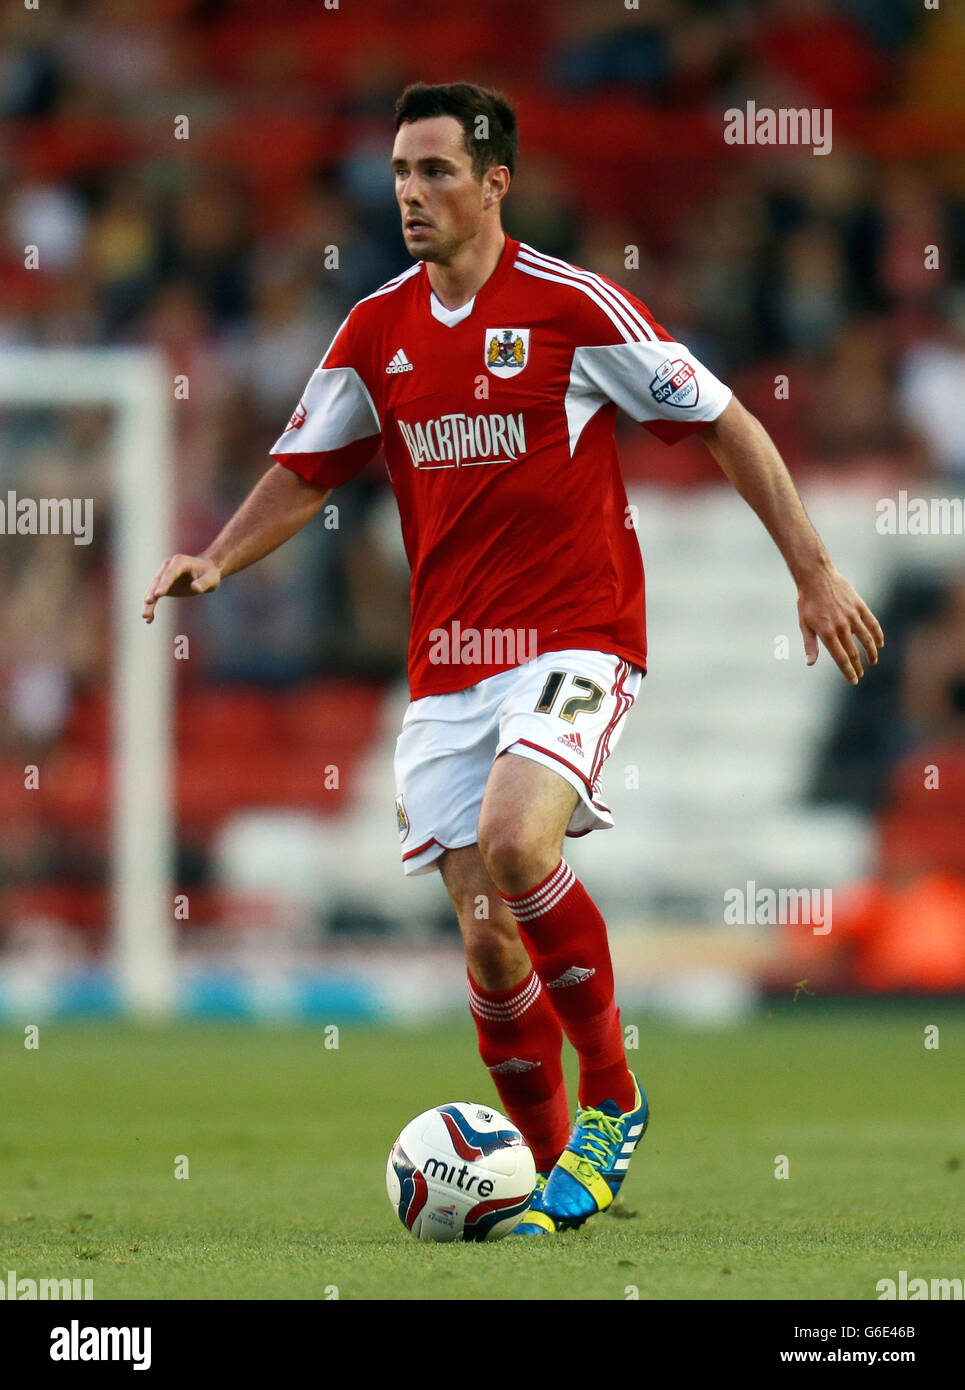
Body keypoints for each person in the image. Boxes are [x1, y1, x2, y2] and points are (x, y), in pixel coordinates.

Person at [142, 82, 885, 1235]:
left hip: (577, 633)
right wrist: (217, 559)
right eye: (397, 172)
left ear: (495, 183)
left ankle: (614, 1102)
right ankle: (552, 1177)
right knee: (487, 937)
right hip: (444, 666)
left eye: (435, 171)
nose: (409, 193)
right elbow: (304, 468)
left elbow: (728, 420)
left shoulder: (570, 307)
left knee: (513, 838)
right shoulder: (374, 332)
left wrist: (812, 569)